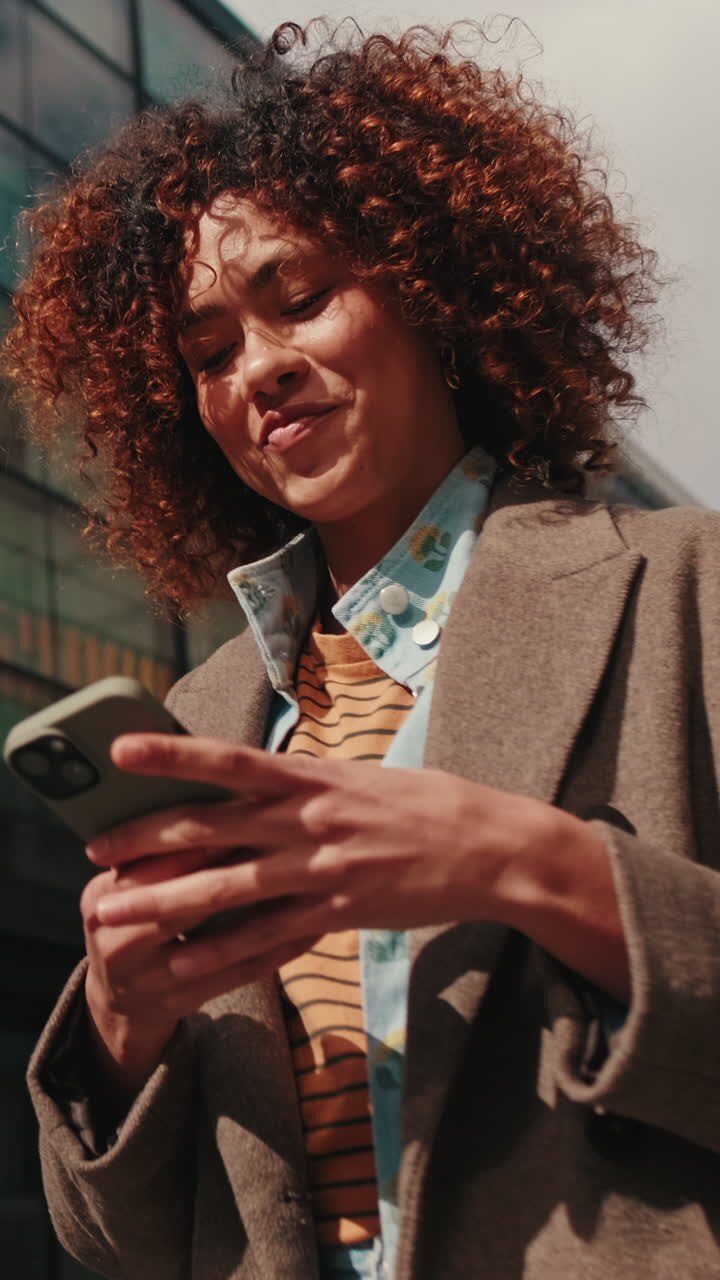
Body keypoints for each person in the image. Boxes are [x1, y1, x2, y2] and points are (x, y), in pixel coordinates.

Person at [4, 21, 720, 1280]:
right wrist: (122, 1018)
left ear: (432, 288)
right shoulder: (209, 713)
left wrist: (529, 863)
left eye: (303, 299)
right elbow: (120, 1241)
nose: (261, 370)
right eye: (210, 352)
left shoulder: (683, 586)